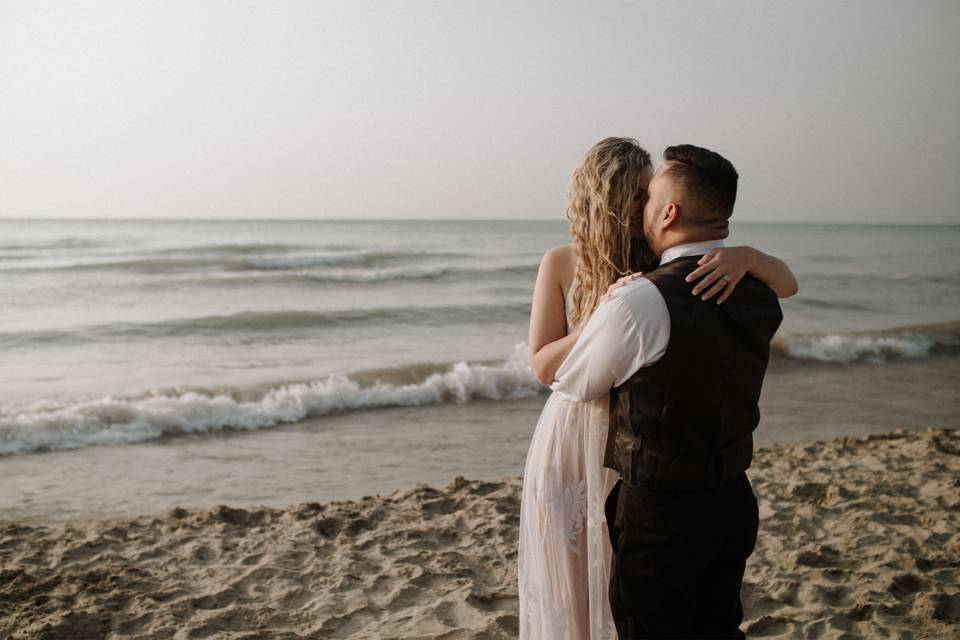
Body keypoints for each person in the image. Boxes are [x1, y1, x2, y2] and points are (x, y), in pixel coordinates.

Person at [519, 138, 797, 639]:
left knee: (634, 579)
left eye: (649, 192)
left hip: (644, 440)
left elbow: (785, 282)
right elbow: (543, 365)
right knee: (581, 575)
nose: (642, 203)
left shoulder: (664, 259)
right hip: (576, 426)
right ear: (608, 197)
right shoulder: (563, 262)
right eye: (636, 192)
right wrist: (596, 321)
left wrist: (746, 255)